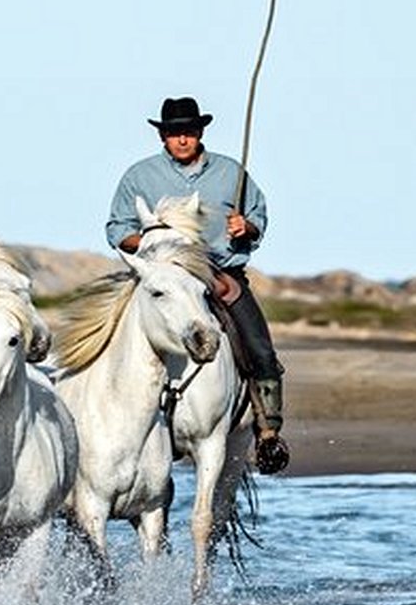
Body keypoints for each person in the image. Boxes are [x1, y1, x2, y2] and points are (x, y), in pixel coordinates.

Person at [105, 96, 289, 473]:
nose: (182, 139)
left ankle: (268, 432)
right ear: (163, 136)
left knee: (259, 347)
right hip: (157, 274)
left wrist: (246, 226)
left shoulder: (231, 173)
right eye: (174, 133)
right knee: (105, 337)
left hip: (218, 271)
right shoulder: (139, 177)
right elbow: (118, 229)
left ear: (200, 131)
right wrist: (158, 242)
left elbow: (258, 214)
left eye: (188, 132)